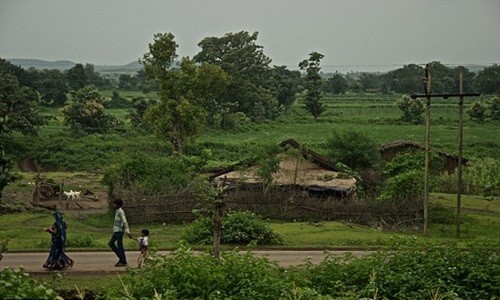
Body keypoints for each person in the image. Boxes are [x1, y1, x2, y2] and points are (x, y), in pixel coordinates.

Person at [109, 198, 132, 267]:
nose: (113, 205)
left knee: (116, 245)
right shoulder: (117, 211)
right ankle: (121, 259)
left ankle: (123, 260)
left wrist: (127, 231)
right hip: (116, 231)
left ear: (118, 205)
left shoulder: (120, 212)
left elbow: (125, 222)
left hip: (119, 231)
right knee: (113, 244)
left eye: (115, 204)